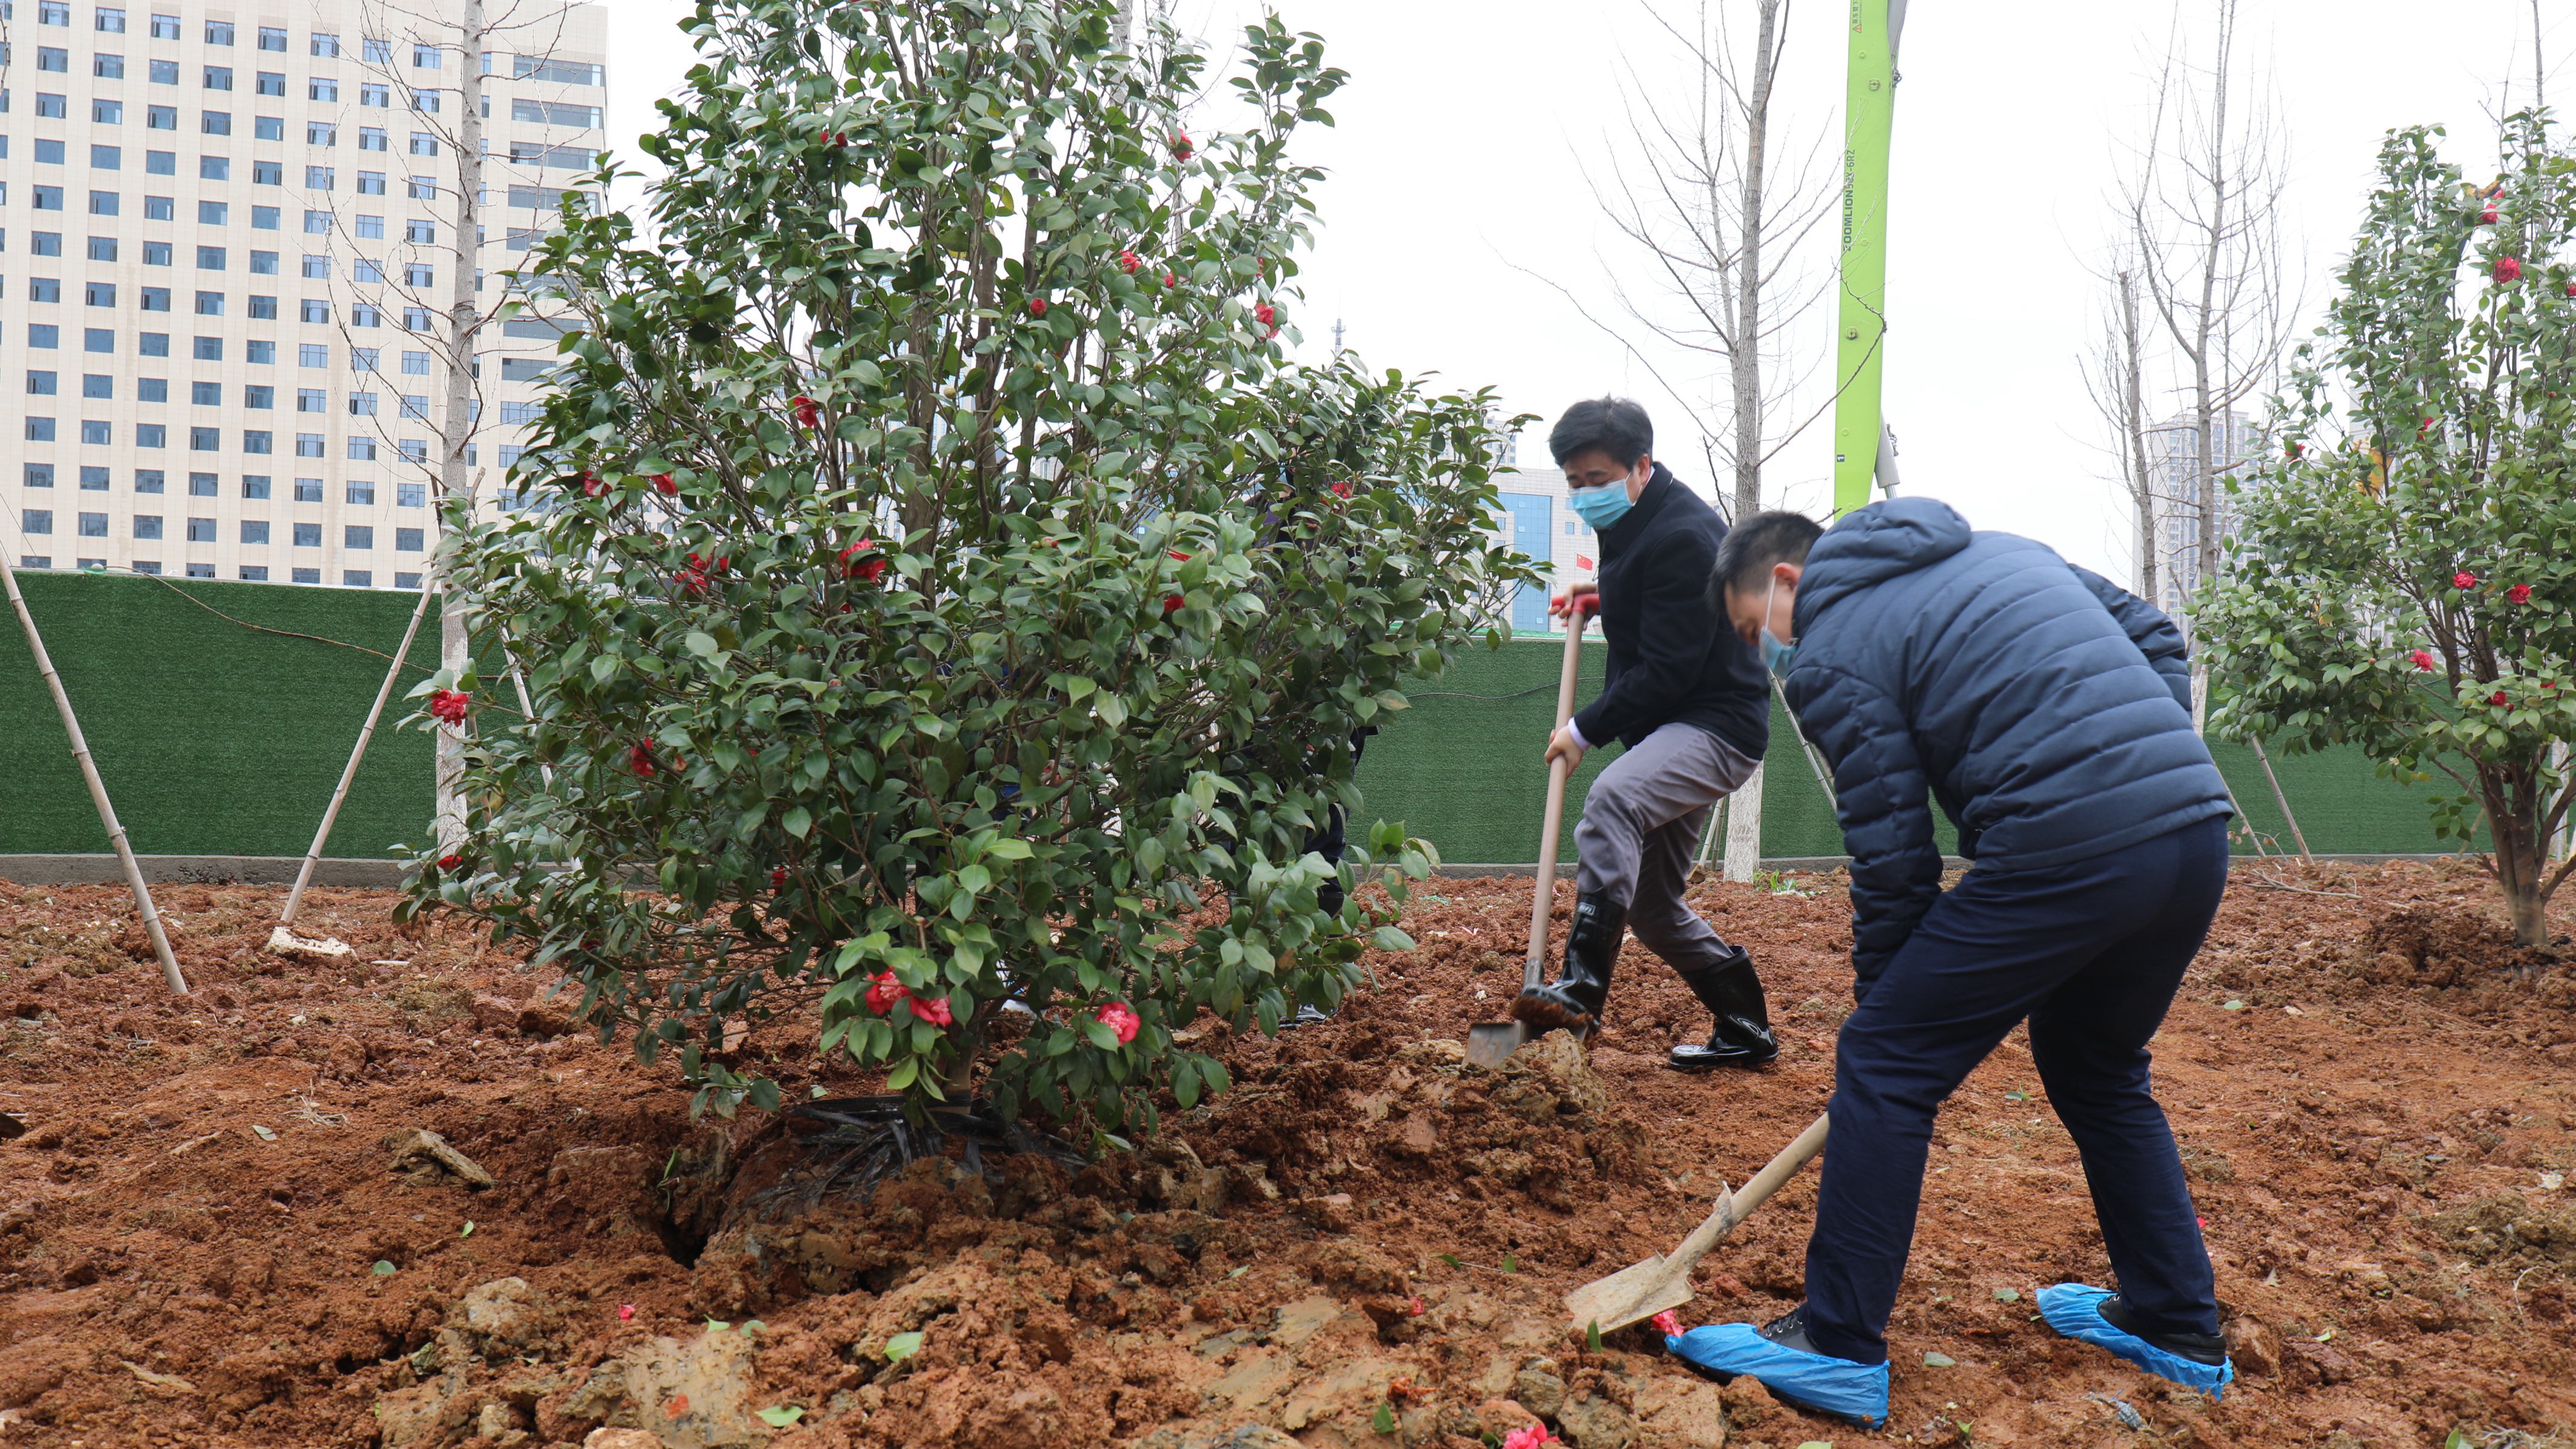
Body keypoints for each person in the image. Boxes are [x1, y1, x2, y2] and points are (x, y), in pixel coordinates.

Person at [1665, 498, 2238, 1426]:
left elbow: (1893, 855)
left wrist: (1884, 1010)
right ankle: (2177, 1322)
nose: (1761, 652)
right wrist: (2140, 769)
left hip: (2072, 845)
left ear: (1784, 581)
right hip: (2192, 832)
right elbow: (2156, 637)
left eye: (1751, 627)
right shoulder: (2010, 545)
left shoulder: (1834, 645)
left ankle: (1837, 1343)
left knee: (1888, 1062)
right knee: (2096, 1065)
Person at [1509, 397, 1778, 1071]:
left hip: (1714, 727)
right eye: (1573, 483)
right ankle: (1746, 1026)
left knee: (1612, 800)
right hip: (1675, 726)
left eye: (1596, 479)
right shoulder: (1637, 516)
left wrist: (1582, 729)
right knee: (1654, 908)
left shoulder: (1683, 534)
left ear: (1641, 465)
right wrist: (1601, 597)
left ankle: (1580, 988)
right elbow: (1661, 600)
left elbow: (1666, 668)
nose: (1585, 495)